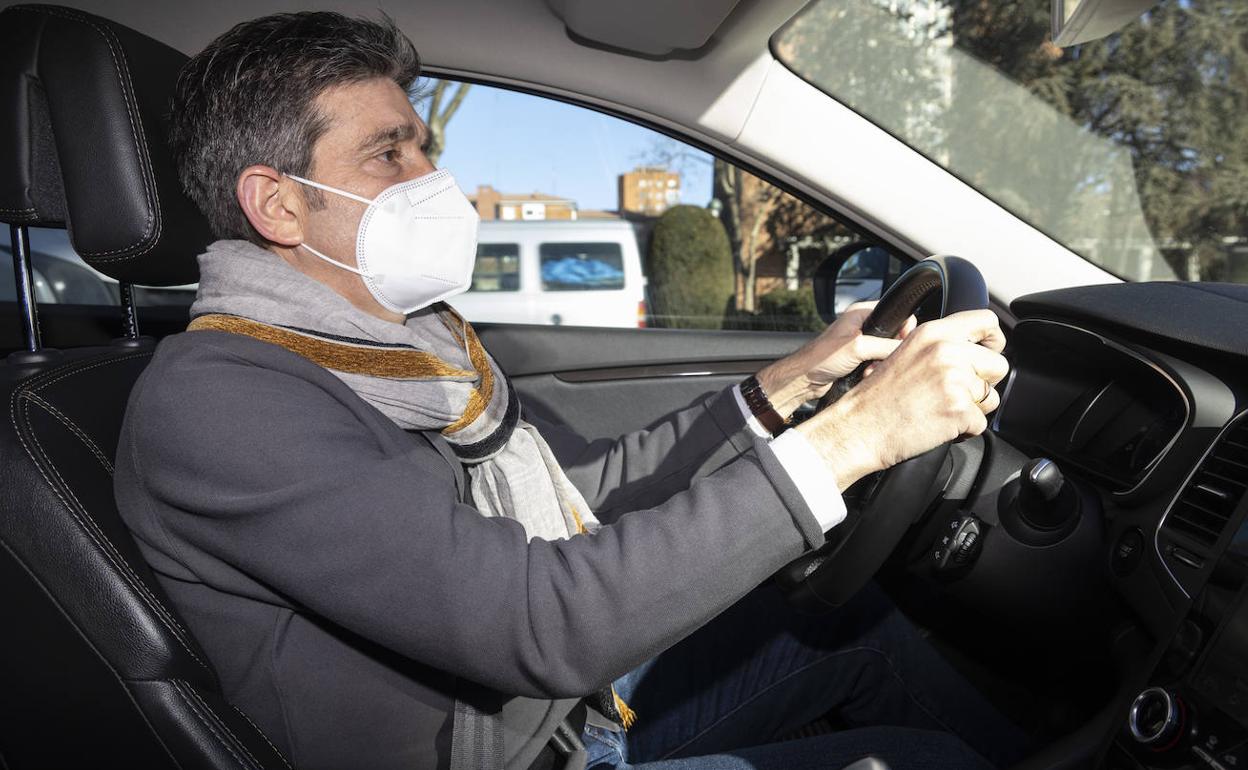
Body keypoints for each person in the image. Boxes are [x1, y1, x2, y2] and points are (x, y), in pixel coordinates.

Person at [114, 11, 1022, 770]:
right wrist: (855, 437)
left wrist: (794, 383)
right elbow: (541, 621)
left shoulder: (405, 344)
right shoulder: (224, 402)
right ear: (277, 204)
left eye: (423, 147)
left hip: (557, 714)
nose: (434, 180)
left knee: (849, 625)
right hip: (516, 746)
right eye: (389, 155)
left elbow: (577, 499)